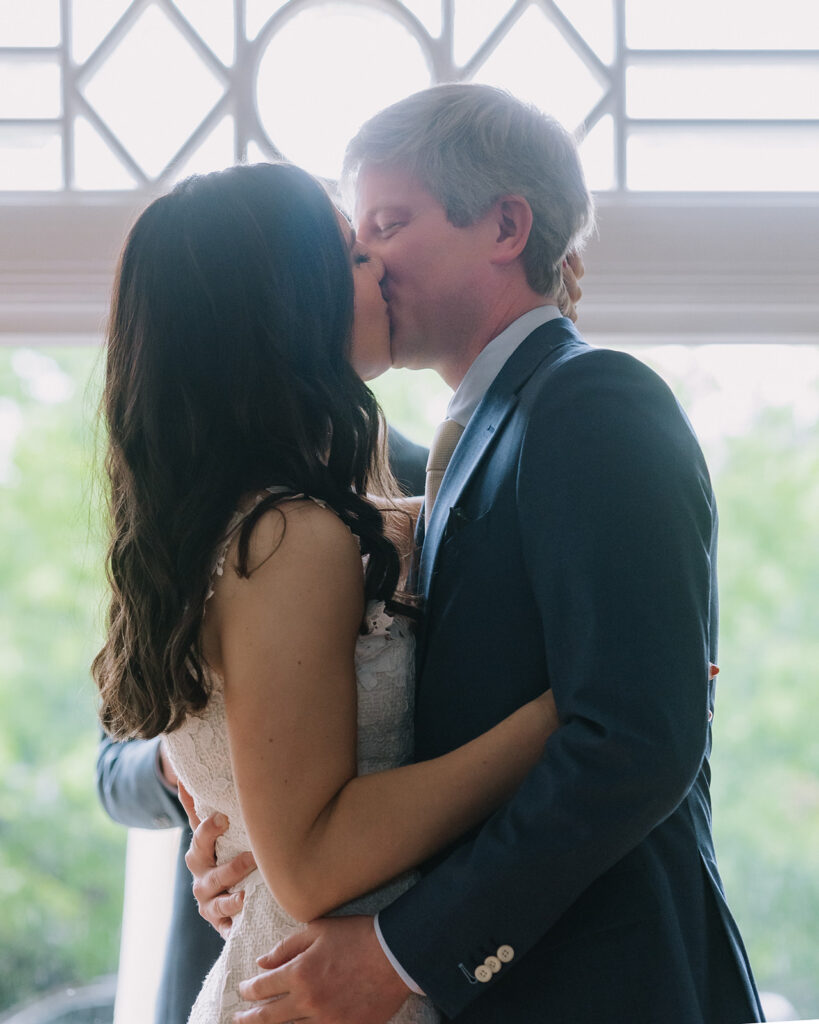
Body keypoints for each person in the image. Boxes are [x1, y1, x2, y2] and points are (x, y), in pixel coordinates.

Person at [189, 85, 764, 1024]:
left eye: (389, 221)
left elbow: (633, 738)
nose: (365, 255)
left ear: (504, 225)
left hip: (607, 987)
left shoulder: (592, 403)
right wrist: (243, 834)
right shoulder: (456, 453)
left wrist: (401, 953)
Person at [92, 159, 564, 1024]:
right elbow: (309, 860)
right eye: (352, 255)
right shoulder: (288, 534)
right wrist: (559, 721)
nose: (380, 268)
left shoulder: (248, 516)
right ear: (285, 308)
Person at [94, 420, 427, 1024]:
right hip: (248, 941)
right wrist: (216, 773)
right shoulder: (175, 513)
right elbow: (112, 764)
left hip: (396, 957)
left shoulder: (432, 471)